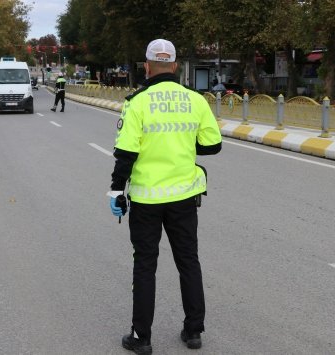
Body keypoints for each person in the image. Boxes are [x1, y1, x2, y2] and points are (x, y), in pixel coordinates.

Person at [108, 39, 222, 354]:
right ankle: (194, 331)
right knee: (189, 261)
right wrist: (182, 144)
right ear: (174, 66)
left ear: (147, 66)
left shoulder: (138, 102)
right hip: (185, 197)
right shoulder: (195, 100)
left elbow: (126, 153)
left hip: (146, 199)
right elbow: (212, 145)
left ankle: (141, 338)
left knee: (145, 264)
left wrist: (116, 189)